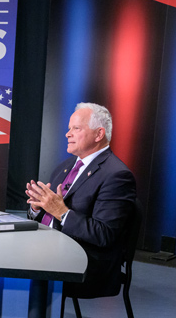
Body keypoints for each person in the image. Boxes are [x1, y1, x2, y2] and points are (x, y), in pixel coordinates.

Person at [26, 102, 136, 298]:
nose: (68, 134)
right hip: (47, 246)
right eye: (69, 128)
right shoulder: (65, 166)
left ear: (99, 134)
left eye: (76, 128)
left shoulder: (117, 176)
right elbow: (50, 212)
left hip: (85, 262)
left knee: (11, 268)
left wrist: (61, 212)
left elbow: (104, 234)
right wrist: (37, 208)